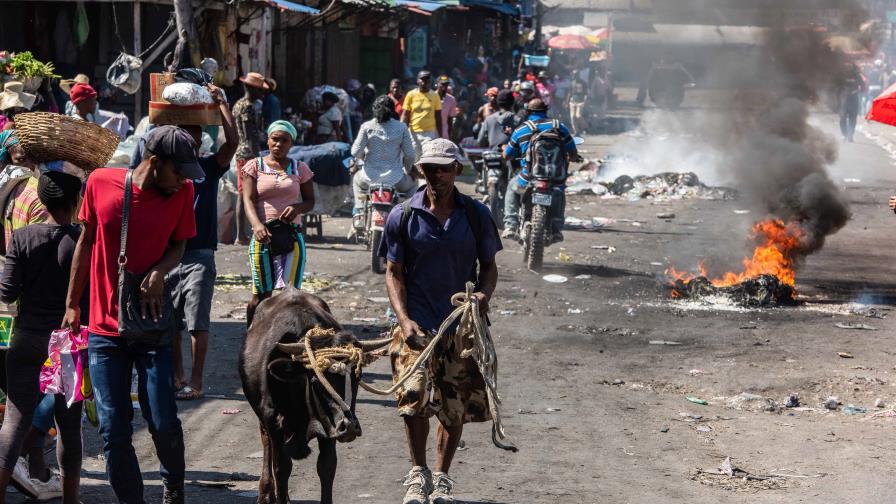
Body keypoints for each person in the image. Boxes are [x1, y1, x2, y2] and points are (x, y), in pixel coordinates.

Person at [61, 125, 202, 504]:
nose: (183, 180)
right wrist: (73, 304)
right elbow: (85, 244)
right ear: (155, 162)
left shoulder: (183, 192)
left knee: (163, 419)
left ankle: (173, 484)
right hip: (104, 330)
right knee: (113, 428)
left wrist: (160, 271)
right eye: (178, 171)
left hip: (153, 326)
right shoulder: (100, 183)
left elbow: (180, 245)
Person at [379, 138, 501, 504]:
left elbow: (490, 268)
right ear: (421, 172)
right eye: (429, 169)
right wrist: (403, 320)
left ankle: (443, 478)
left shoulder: (476, 214)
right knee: (413, 397)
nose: (436, 175)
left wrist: (482, 296)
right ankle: (418, 474)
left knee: (454, 404)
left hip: (459, 327)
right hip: (416, 323)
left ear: (456, 170)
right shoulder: (403, 214)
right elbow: (392, 271)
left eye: (443, 168)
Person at [0, 171, 86, 504]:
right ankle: (70, 499)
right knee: (69, 425)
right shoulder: (82, 239)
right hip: (67, 343)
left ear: (43, 202)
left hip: (26, 338)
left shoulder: (22, 238)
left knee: (14, 422)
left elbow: (7, 294)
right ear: (74, 203)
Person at [170, 85, 237, 401]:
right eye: (188, 140)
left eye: (197, 141)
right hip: (168, 253)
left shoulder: (208, 168)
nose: (194, 145)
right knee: (169, 323)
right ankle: (176, 377)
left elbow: (233, 142)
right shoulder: (167, 170)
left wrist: (223, 103)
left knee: (197, 322)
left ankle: (195, 382)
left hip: (199, 254)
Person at [241, 120, 315, 326]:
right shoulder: (254, 166)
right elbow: (247, 199)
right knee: (261, 296)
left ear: (291, 144)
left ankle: (283, 341)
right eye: (275, 139)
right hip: (262, 237)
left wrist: (298, 208)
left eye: (284, 140)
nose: (278, 144)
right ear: (268, 139)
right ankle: (251, 339)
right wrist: (256, 225)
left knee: (288, 296)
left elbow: (310, 201)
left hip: (291, 237)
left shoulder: (300, 168)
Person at [503, 98, 578, 242]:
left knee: (512, 188)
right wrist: (573, 157)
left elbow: (507, 155)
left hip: (528, 178)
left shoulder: (521, 129)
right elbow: (572, 152)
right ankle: (556, 229)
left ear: (528, 112)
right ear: (545, 111)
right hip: (554, 179)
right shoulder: (559, 126)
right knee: (560, 193)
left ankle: (511, 226)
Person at [350, 96, 417, 229]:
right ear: (393, 110)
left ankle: (359, 213)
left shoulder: (367, 126)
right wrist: (409, 169)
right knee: (413, 186)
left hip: (369, 178)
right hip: (395, 179)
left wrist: (363, 157)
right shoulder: (401, 128)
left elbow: (355, 152)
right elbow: (410, 155)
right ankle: (408, 217)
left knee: (356, 180)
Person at [233, 72, 270, 245]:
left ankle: (243, 234)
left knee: (244, 194)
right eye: (259, 90)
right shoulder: (247, 106)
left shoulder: (238, 104)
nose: (262, 94)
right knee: (244, 194)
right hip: (247, 155)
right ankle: (241, 235)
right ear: (250, 89)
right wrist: (258, 159)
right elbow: (250, 136)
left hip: (241, 153)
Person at [401, 71, 442, 159]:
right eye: (422, 79)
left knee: (427, 159)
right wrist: (402, 131)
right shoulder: (410, 95)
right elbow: (405, 115)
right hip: (413, 133)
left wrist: (440, 136)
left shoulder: (435, 96)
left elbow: (438, 117)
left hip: (429, 133)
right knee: (414, 159)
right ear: (417, 81)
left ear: (430, 81)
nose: (424, 82)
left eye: (427, 80)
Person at [839, 63, 865, 143]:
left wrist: (857, 91)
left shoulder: (857, 75)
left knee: (852, 118)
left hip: (853, 99)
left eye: (850, 66)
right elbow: (836, 86)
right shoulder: (841, 75)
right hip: (843, 99)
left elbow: (863, 87)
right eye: (846, 66)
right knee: (842, 117)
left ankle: (850, 135)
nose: (848, 68)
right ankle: (844, 134)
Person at [436, 76, 458, 140]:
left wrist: (449, 136)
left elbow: (450, 120)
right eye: (442, 84)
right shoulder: (431, 97)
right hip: (431, 134)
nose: (444, 87)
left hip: (444, 135)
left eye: (446, 85)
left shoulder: (451, 99)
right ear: (437, 84)